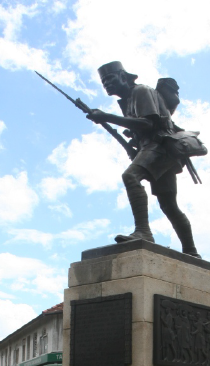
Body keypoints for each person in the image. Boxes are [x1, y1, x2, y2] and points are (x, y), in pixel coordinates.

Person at [86, 61, 201, 258]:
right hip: (154, 148)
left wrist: (106, 117)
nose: (107, 84)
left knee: (131, 177)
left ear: (123, 76)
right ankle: (191, 251)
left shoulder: (141, 91)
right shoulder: (128, 100)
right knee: (168, 205)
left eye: (110, 79)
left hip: (160, 146)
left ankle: (143, 232)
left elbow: (148, 123)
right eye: (104, 82)